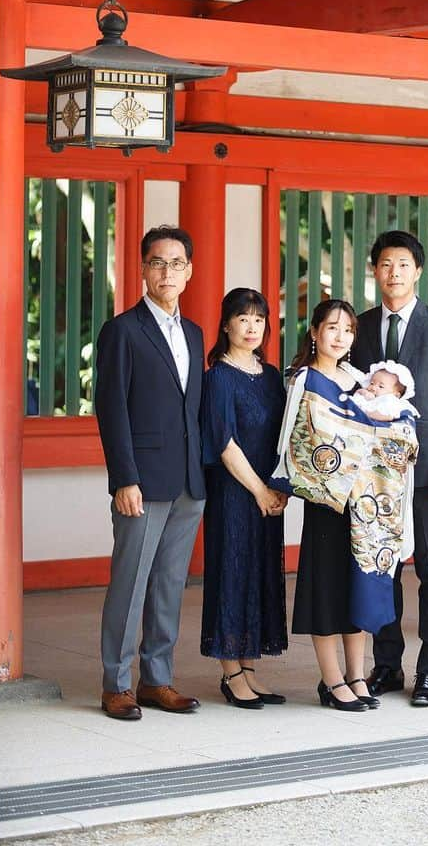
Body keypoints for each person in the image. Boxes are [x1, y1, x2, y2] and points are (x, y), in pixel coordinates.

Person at [351, 230, 428, 708]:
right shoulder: (357, 327)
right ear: (374, 271)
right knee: (382, 569)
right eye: (384, 264)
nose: (393, 272)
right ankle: (387, 664)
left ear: (417, 271)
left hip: (426, 473)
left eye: (402, 264)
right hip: (374, 476)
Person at [94, 225, 206, 720]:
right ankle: (115, 683)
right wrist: (124, 478)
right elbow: (111, 408)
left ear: (189, 271)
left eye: (176, 262)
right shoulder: (122, 330)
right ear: (142, 269)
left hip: (187, 481)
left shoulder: (196, 332)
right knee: (130, 583)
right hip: (142, 481)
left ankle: (156, 679)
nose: (167, 271)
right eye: (157, 262)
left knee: (168, 584)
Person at [272, 300, 385, 713]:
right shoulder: (302, 379)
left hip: (361, 503)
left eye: (348, 330)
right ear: (315, 332)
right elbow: (291, 437)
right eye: (332, 328)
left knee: (356, 584)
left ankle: (357, 674)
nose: (340, 337)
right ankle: (331, 679)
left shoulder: (359, 379)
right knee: (325, 587)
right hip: (325, 502)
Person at [200, 288, 289, 710]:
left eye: (259, 319)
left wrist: (280, 488)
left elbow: (286, 436)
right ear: (226, 325)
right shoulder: (217, 375)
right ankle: (230, 671)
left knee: (260, 573)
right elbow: (224, 443)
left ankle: (249, 669)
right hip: (235, 492)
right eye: (243, 318)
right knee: (233, 572)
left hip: (269, 493)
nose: (252, 326)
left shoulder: (271, 375)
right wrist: (258, 490)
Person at [345, 359, 420, 422]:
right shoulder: (366, 395)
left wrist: (365, 412)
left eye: (381, 386)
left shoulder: (390, 400)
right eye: (372, 383)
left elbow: (388, 416)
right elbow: (354, 400)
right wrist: (361, 393)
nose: (373, 388)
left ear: (396, 395)